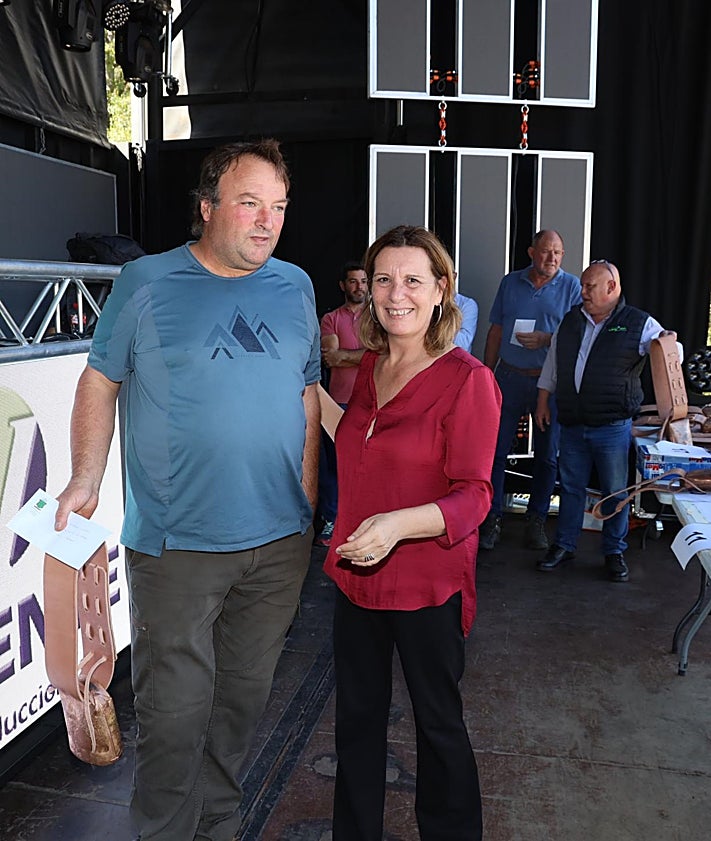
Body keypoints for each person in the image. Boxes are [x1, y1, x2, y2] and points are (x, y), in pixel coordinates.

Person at [54, 140, 321, 841]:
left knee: (239, 707)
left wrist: (308, 508)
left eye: (279, 207)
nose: (266, 221)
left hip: (278, 547)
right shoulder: (144, 281)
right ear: (206, 208)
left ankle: (220, 826)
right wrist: (86, 475)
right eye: (249, 203)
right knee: (173, 720)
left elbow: (306, 397)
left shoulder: (295, 286)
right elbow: (99, 378)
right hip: (177, 548)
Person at [321, 225, 501, 841]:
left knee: (438, 725)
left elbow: (475, 495)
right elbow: (363, 440)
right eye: (383, 280)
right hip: (355, 578)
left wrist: (400, 526)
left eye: (412, 280)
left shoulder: (467, 379)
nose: (396, 293)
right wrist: (302, 390)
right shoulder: (371, 366)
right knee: (356, 724)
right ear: (367, 290)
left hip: (428, 584)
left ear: (441, 289)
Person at [534, 259, 671, 582]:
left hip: (612, 426)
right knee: (569, 488)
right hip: (572, 423)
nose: (582, 292)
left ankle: (614, 551)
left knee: (614, 491)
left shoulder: (637, 322)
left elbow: (668, 348)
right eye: (583, 285)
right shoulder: (571, 321)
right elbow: (552, 365)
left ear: (612, 287)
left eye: (589, 286)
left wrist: (668, 341)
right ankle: (564, 546)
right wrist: (542, 401)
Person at [480, 229, 581, 551]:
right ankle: (491, 518)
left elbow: (581, 336)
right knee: (494, 452)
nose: (552, 258)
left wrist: (546, 339)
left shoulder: (573, 288)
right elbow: (496, 330)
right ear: (531, 252)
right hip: (509, 376)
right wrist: (487, 374)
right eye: (546, 252)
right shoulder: (510, 283)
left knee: (548, 457)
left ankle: (536, 519)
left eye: (558, 253)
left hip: (549, 383)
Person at [315, 260, 368, 546]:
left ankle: (362, 521)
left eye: (363, 281)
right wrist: (366, 353)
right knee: (335, 467)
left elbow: (384, 352)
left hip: (373, 400)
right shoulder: (330, 318)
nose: (358, 287)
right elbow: (331, 356)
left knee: (368, 466)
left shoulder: (379, 317)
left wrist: (354, 356)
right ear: (342, 285)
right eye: (352, 281)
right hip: (339, 402)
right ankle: (332, 520)